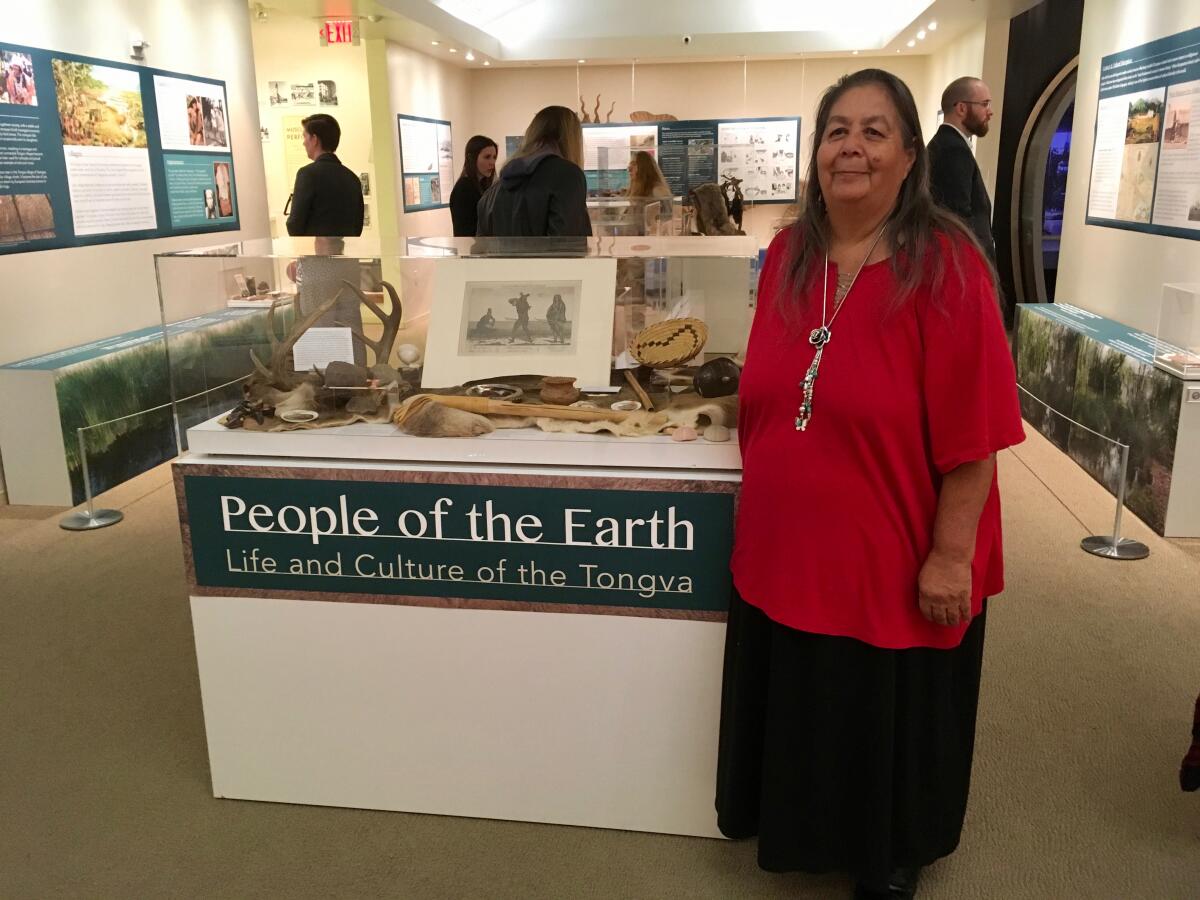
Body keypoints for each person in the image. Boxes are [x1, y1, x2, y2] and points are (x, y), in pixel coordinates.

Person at [716, 69, 1024, 900]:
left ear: (911, 155)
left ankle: (889, 851)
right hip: (790, 541)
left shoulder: (947, 265)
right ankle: (805, 830)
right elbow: (780, 379)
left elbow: (976, 439)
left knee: (884, 708)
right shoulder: (788, 253)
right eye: (836, 130)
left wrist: (950, 557)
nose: (850, 147)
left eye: (874, 131)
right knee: (809, 693)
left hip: (896, 546)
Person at [476, 106, 591, 237]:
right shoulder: (567, 176)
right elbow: (568, 247)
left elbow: (481, 250)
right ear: (572, 139)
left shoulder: (494, 190)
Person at [928, 77, 996, 259]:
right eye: (985, 104)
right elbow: (957, 222)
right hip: (965, 265)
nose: (990, 112)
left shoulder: (946, 144)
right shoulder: (953, 149)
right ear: (961, 108)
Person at [285, 114, 364, 237]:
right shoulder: (352, 178)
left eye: (305, 137)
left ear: (315, 139)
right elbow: (357, 226)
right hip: (346, 253)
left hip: (315, 254)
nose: (303, 143)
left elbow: (295, 224)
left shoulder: (307, 174)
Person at [450, 135, 498, 237]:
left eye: (494, 157)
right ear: (472, 158)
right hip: (472, 249)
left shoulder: (484, 186)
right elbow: (463, 232)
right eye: (487, 157)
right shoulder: (463, 189)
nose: (492, 163)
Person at [625, 150, 674, 233]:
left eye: (634, 164)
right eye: (630, 165)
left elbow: (668, 220)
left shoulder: (658, 190)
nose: (629, 169)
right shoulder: (635, 189)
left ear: (644, 167)